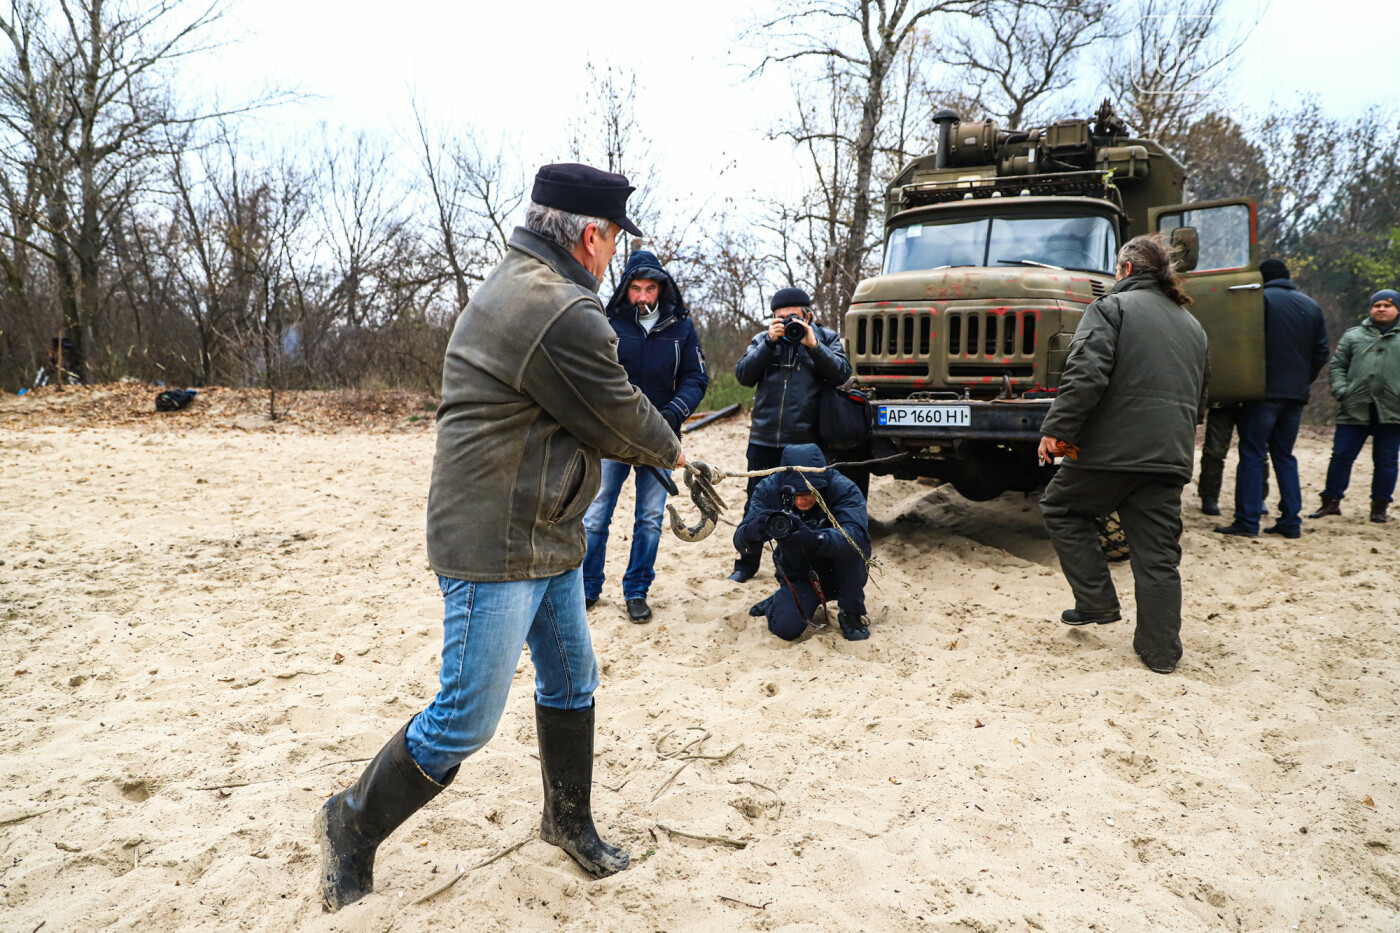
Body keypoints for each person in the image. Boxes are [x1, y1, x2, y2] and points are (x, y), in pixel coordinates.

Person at [315, 164, 684, 912]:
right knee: (465, 717)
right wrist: (671, 446)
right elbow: (615, 415)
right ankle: (349, 823)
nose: (614, 255)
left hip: (538, 526)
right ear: (590, 235)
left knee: (573, 678)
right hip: (497, 540)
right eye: (613, 240)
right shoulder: (557, 307)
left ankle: (565, 819)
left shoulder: (528, 281)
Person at [1038, 234, 1209, 676]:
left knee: (1060, 507)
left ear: (1127, 270)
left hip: (1109, 452)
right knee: (1158, 556)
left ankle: (1095, 601)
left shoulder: (1110, 308)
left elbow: (1085, 377)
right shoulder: (1193, 326)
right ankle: (1161, 653)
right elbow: (1202, 401)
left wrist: (1057, 431)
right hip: (1169, 456)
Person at [582, 249, 708, 622]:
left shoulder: (681, 326)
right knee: (595, 515)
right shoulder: (608, 322)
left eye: (649, 289)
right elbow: (594, 374)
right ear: (626, 289)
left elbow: (696, 378)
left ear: (660, 289)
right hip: (612, 437)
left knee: (649, 518)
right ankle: (588, 588)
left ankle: (637, 591)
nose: (642, 296)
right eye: (635, 288)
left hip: (661, 439)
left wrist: (671, 415)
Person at [729, 287, 852, 582]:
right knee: (756, 502)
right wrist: (768, 344)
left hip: (805, 440)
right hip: (764, 436)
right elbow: (743, 375)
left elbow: (842, 374)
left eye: (792, 317)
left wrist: (814, 345)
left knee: (806, 501)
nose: (787, 323)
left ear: (807, 315)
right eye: (780, 318)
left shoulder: (825, 338)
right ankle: (746, 564)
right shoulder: (763, 339)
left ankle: (801, 563)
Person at [1215, 259, 1329, 539]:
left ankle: (1247, 520)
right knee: (1284, 456)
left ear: (1263, 278)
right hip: (1296, 394)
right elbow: (1322, 351)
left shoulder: (1259, 301)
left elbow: (1242, 343)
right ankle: (1291, 522)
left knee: (1253, 453)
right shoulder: (1311, 305)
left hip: (1263, 392)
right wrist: (1303, 381)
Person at [734, 444, 872, 641]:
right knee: (786, 628)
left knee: (852, 548)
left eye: (807, 495)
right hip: (799, 574)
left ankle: (851, 612)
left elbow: (855, 537)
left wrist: (816, 540)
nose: (800, 503)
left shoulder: (842, 488)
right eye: (795, 496)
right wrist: (754, 531)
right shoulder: (769, 489)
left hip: (841, 572)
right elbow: (740, 541)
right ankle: (780, 598)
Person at [1310, 289, 1400, 524]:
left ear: (1397, 310)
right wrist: (1342, 391)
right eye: (1377, 305)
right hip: (1354, 407)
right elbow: (1337, 366)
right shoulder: (1354, 336)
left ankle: (1379, 507)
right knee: (1341, 456)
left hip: (1392, 410)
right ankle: (1331, 502)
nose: (1381, 309)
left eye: (1387, 305)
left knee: (1387, 460)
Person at [1197, 403, 1266, 516]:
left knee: (1257, 453)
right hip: (1221, 403)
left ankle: (1259, 497)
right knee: (1214, 453)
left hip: (1252, 403)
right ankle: (1209, 496)